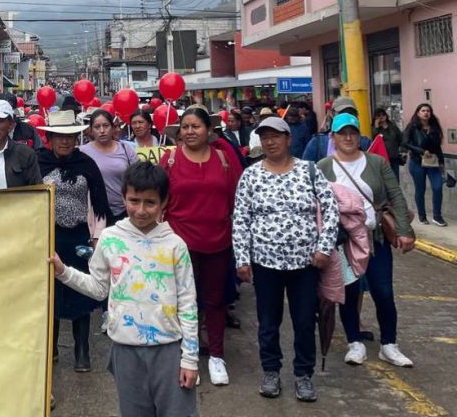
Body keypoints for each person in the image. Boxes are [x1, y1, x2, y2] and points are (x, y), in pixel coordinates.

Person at [49, 162, 202, 417]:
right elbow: (99, 288)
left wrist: (190, 358)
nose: (141, 209)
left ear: (164, 204)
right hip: (125, 352)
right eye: (134, 201)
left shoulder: (175, 246)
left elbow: (189, 304)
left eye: (150, 202)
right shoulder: (110, 239)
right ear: (124, 197)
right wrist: (63, 272)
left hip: (170, 353)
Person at [233, 116, 339, 402]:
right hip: (265, 262)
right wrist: (242, 259)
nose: (270, 142)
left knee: (304, 321)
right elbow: (241, 219)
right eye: (265, 137)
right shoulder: (251, 176)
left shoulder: (310, 171)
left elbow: (330, 211)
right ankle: (270, 371)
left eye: (276, 136)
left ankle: (304, 375)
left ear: (288, 139)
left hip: (305, 262)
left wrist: (324, 248)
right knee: (268, 321)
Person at [318, 113, 416, 368]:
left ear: (359, 135)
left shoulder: (376, 162)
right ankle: (354, 342)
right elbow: (315, 206)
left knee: (383, 292)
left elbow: (396, 195)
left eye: (352, 132)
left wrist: (404, 230)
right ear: (334, 137)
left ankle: (389, 345)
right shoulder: (323, 167)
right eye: (342, 133)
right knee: (349, 293)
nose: (348, 137)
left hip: (375, 239)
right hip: (343, 242)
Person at [160, 107, 242, 386]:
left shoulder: (223, 157)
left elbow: (236, 199)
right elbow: (159, 200)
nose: (190, 132)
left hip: (218, 242)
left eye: (196, 126)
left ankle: (217, 356)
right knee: (183, 303)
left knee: (216, 301)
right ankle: (186, 355)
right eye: (185, 127)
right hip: (179, 245)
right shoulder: (169, 159)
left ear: (208, 130)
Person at [38, 109, 113, 373]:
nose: (65, 142)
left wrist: (97, 240)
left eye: (70, 137)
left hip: (80, 236)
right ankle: (53, 347)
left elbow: (100, 204)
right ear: (50, 138)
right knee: (51, 294)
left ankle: (83, 351)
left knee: (81, 292)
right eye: (59, 136)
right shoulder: (39, 163)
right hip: (50, 238)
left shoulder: (86, 164)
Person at [80, 109, 136, 219]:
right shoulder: (82, 152)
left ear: (113, 128)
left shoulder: (126, 149)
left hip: (124, 211)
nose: (102, 130)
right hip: (95, 214)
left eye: (106, 126)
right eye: (97, 127)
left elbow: (138, 178)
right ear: (91, 130)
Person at [402, 103, 447, 226]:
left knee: (438, 187)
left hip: (433, 162)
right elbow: (405, 143)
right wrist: (421, 151)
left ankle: (437, 216)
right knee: (420, 189)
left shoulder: (434, 127)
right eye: (423, 110)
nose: (426, 113)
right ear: (418, 113)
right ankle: (422, 216)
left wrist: (441, 162)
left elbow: (438, 146)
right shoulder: (412, 127)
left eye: (428, 111)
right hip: (417, 162)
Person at [303, 96, 370, 161]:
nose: (346, 116)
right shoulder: (318, 142)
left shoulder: (365, 143)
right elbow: (307, 169)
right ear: (331, 114)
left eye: (350, 112)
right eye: (342, 112)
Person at [373, 107, 404, 181]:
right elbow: (374, 141)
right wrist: (376, 128)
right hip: (382, 158)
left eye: (383, 114)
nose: (381, 117)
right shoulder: (375, 129)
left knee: (395, 179)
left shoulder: (393, 126)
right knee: (385, 179)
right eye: (378, 115)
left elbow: (401, 138)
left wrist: (402, 151)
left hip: (394, 157)